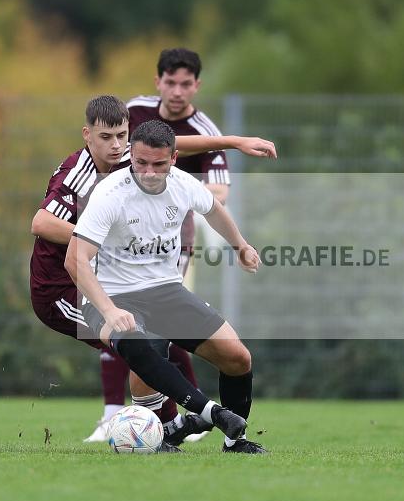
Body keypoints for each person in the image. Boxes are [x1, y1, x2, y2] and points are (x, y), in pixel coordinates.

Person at [30, 95, 274, 448]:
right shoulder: (84, 177)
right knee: (142, 345)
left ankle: (178, 430)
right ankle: (201, 415)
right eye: (106, 138)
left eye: (121, 137)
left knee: (224, 355)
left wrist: (233, 142)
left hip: (147, 284)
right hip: (64, 288)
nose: (117, 147)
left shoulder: (144, 160)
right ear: (87, 135)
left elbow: (176, 148)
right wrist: (103, 239)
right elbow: (41, 224)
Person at [91, 47, 275, 444]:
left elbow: (214, 204)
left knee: (238, 356)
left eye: (160, 165)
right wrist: (105, 307)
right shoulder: (110, 190)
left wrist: (241, 245)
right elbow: (78, 257)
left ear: (174, 159)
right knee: (144, 363)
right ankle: (151, 423)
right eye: (141, 163)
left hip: (168, 279)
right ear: (128, 155)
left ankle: (230, 440)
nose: (151, 173)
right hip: (121, 290)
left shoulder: (183, 179)